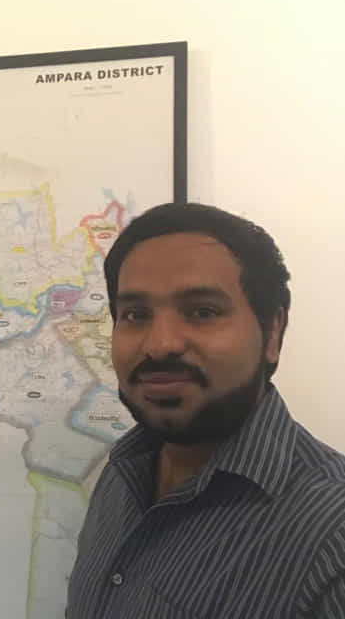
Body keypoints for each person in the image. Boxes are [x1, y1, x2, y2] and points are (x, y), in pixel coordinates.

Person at [66, 202, 345, 618]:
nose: (160, 344)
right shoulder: (122, 472)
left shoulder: (333, 539)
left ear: (272, 332)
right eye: (136, 314)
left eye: (202, 312)